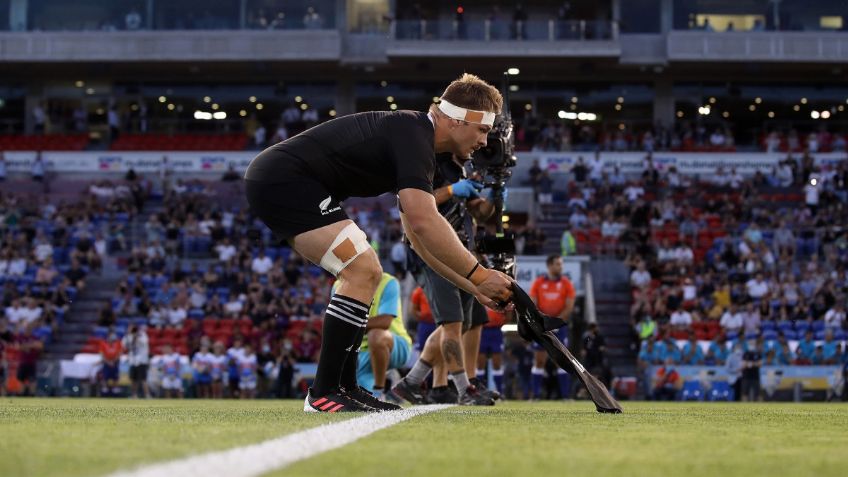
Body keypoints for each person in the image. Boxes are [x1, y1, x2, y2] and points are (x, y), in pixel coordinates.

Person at [245, 73, 513, 412]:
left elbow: (417, 238)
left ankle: (343, 387)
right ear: (459, 120)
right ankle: (325, 390)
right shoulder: (416, 134)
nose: (485, 141)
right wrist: (479, 275)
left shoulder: (420, 140)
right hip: (285, 179)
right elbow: (423, 221)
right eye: (483, 129)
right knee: (362, 268)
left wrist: (472, 286)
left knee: (365, 271)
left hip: (284, 179)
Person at [391, 148, 503, 407]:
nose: (481, 142)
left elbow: (480, 213)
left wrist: (494, 198)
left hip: (460, 252)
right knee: (453, 323)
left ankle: (410, 383)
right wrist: (453, 190)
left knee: (458, 325)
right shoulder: (428, 163)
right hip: (431, 251)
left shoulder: (461, 169)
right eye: (479, 132)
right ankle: (465, 389)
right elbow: (414, 203)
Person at [334, 272, 411, 403]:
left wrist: (351, 324)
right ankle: (389, 386)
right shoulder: (338, 285)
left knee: (376, 335)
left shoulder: (388, 282)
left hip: (394, 344)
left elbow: (384, 321)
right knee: (357, 396)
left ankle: (380, 390)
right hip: (360, 352)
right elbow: (336, 323)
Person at [528, 254, 575, 400]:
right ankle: (535, 395)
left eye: (561, 264)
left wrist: (555, 323)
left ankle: (565, 396)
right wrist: (543, 323)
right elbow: (532, 305)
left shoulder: (567, 283)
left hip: (559, 328)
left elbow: (569, 307)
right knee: (539, 360)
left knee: (561, 361)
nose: (560, 267)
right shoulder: (538, 283)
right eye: (557, 264)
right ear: (549, 266)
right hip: (542, 327)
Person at [478, 308, 508, 396]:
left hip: (496, 330)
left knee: (497, 364)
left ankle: (500, 392)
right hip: (482, 330)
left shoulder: (497, 294)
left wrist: (500, 322)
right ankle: (479, 392)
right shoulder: (478, 295)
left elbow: (508, 314)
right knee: (480, 364)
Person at [122, 325, 151, 398]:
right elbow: (124, 345)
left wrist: (137, 336)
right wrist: (129, 336)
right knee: (133, 380)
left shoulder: (142, 335)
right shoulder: (128, 337)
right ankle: (134, 395)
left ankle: (147, 395)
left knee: (143, 379)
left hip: (141, 360)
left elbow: (144, 342)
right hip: (132, 360)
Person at [99, 332, 122, 397]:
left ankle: (115, 391)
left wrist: (113, 361)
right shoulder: (103, 343)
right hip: (106, 363)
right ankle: (104, 390)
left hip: (115, 363)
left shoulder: (117, 343)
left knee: (116, 378)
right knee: (104, 377)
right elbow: (102, 354)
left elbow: (119, 353)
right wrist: (108, 362)